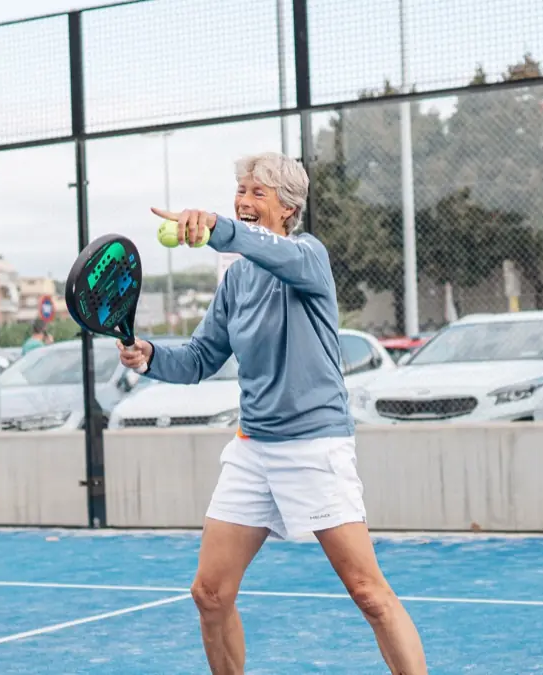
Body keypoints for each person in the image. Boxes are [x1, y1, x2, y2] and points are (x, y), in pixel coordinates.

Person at [117, 152, 428, 675]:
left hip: (315, 445)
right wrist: (149, 356)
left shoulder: (308, 256)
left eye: (258, 193)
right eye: (241, 191)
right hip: (252, 450)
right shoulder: (236, 280)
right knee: (210, 594)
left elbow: (262, 248)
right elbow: (199, 358)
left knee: (368, 593)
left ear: (288, 208)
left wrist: (217, 228)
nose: (244, 200)